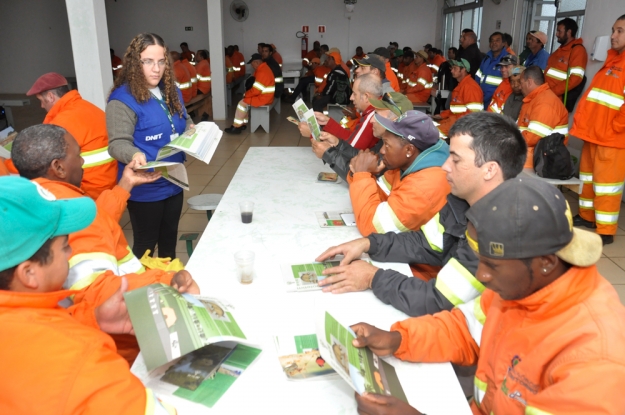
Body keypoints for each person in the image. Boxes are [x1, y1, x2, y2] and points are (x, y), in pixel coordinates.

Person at [350, 177, 625, 415]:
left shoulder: (594, 358)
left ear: (546, 262)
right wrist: (398, 339)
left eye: (492, 265)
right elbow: (464, 329)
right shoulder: (523, 287)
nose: (481, 276)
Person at [0, 176, 201, 415]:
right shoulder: (78, 359)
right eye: (64, 246)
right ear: (29, 273)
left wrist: (93, 319)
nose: (72, 251)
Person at [315, 112, 526, 316]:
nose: (444, 166)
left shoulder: (497, 233)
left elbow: (438, 300)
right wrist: (369, 244)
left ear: (489, 170)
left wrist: (373, 278)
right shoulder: (462, 199)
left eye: (456, 160)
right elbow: (425, 242)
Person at [106, 32, 191, 260]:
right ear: (135, 63)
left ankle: (168, 284)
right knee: (145, 244)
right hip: (146, 187)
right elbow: (117, 143)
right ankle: (139, 290)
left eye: (161, 62)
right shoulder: (122, 99)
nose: (156, 69)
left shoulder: (170, 90)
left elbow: (184, 119)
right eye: (148, 62)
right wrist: (133, 153)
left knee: (169, 239)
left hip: (174, 180)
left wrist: (193, 131)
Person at [347, 110, 450, 236]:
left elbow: (372, 227)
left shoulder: (423, 187)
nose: (381, 150)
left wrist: (362, 175)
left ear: (409, 150)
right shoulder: (406, 166)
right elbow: (380, 197)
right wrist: (359, 172)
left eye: (387, 144)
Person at [570, 15, 625, 246]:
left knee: (607, 185)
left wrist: (615, 127)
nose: (613, 36)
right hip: (594, 134)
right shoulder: (613, 60)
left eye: (619, 31)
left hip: (611, 138)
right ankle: (587, 216)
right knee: (589, 179)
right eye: (613, 30)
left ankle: (606, 229)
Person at [26, 72, 117, 200]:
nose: (42, 106)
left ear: (51, 97)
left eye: (41, 101)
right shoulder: (89, 107)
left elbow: (41, 161)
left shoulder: (62, 121)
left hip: (87, 190)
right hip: (109, 183)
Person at [308, 92, 413, 182]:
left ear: (394, 120)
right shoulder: (386, 141)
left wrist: (329, 153)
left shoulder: (396, 151)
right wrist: (337, 143)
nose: (371, 120)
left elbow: (361, 175)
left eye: (377, 115)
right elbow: (363, 158)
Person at [302, 74, 381, 154]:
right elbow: (351, 137)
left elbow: (349, 153)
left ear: (366, 97)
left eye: (354, 94)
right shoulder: (375, 111)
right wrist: (328, 122)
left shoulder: (371, 118)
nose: (351, 98)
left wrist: (313, 133)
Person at [517, 65, 569, 168]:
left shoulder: (545, 103)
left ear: (530, 82)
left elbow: (532, 138)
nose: (519, 86)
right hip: (537, 154)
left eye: (521, 82)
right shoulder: (535, 100)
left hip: (546, 159)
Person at [224, 53, 275, 134]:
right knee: (245, 101)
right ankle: (243, 124)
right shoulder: (263, 69)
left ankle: (236, 127)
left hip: (264, 98)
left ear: (257, 63)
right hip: (266, 96)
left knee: (242, 103)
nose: (252, 66)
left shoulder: (262, 72)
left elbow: (256, 90)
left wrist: (246, 94)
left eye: (252, 64)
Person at [432, 58, 483, 138]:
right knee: (429, 127)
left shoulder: (470, 87)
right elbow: (456, 110)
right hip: (455, 121)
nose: (452, 71)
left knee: (430, 134)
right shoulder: (462, 85)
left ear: (463, 70)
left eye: (455, 68)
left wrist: (452, 122)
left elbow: (472, 116)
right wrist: (442, 115)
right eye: (452, 68)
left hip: (461, 126)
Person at [545, 18, 587, 105]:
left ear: (569, 32)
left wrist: (553, 92)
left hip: (557, 99)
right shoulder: (559, 50)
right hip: (546, 95)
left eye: (559, 31)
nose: (556, 34)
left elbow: (576, 78)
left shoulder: (577, 50)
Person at [475, 32, 509, 107]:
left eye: (497, 40)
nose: (494, 43)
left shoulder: (507, 60)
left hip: (496, 101)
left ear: (503, 43)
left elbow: (508, 83)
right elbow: (478, 77)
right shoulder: (486, 58)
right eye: (492, 41)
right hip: (482, 99)